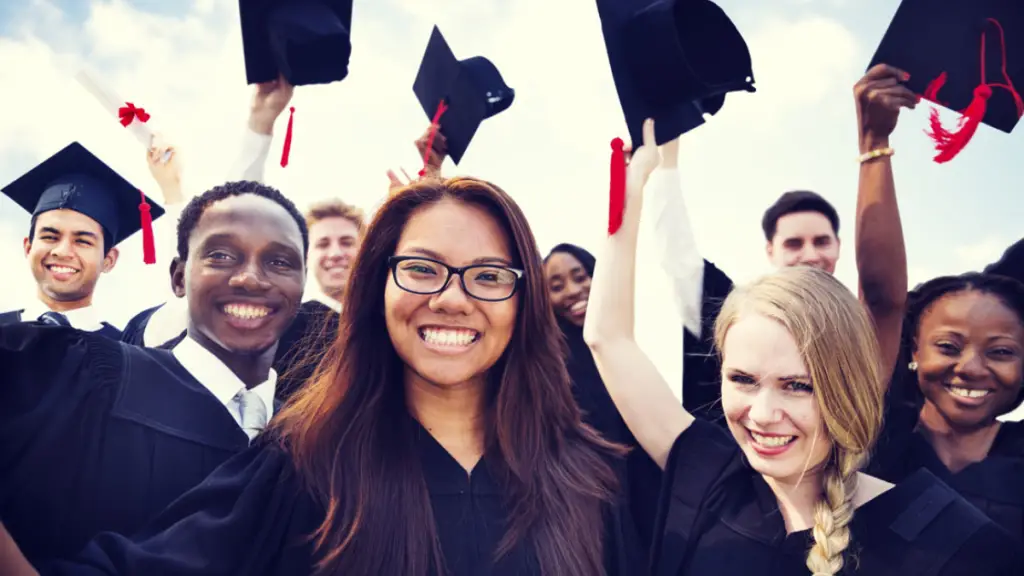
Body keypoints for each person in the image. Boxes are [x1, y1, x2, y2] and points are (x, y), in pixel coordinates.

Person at [17, 176, 641, 576]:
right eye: (421, 269)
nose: (453, 298)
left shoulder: (588, 480)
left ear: (521, 302)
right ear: (376, 289)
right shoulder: (306, 462)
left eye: (488, 275)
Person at [583, 118, 1022, 575]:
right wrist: (635, 184)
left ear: (851, 385)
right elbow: (607, 338)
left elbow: (882, 295)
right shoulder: (711, 475)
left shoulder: (953, 544)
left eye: (797, 385)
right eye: (742, 380)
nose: (763, 413)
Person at [0, 180, 307, 566]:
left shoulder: (314, 440)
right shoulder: (85, 376)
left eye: (280, 261)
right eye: (221, 255)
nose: (250, 278)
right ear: (178, 278)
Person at [868, 273, 1024, 542]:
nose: (970, 369)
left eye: (1001, 352)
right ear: (915, 351)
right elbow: (880, 296)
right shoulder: (873, 450)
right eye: (948, 347)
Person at [0, 142, 167, 339]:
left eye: (83, 241)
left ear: (109, 260)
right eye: (50, 237)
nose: (62, 251)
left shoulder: (128, 356)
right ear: (28, 247)